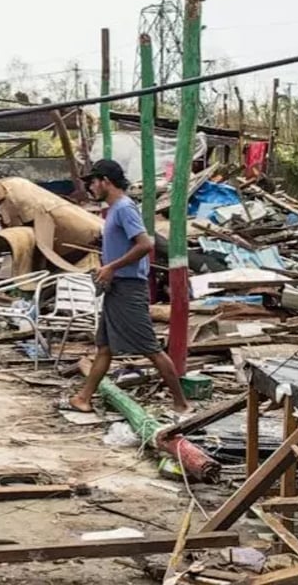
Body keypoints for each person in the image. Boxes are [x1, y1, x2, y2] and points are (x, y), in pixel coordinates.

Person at [67, 159, 193, 416]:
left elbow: (145, 244)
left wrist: (112, 266)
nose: (90, 188)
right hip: (116, 287)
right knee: (104, 346)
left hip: (128, 287)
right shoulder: (113, 209)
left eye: (93, 182)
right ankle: (84, 397)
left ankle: (181, 403)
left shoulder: (124, 208)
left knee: (150, 348)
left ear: (106, 181)